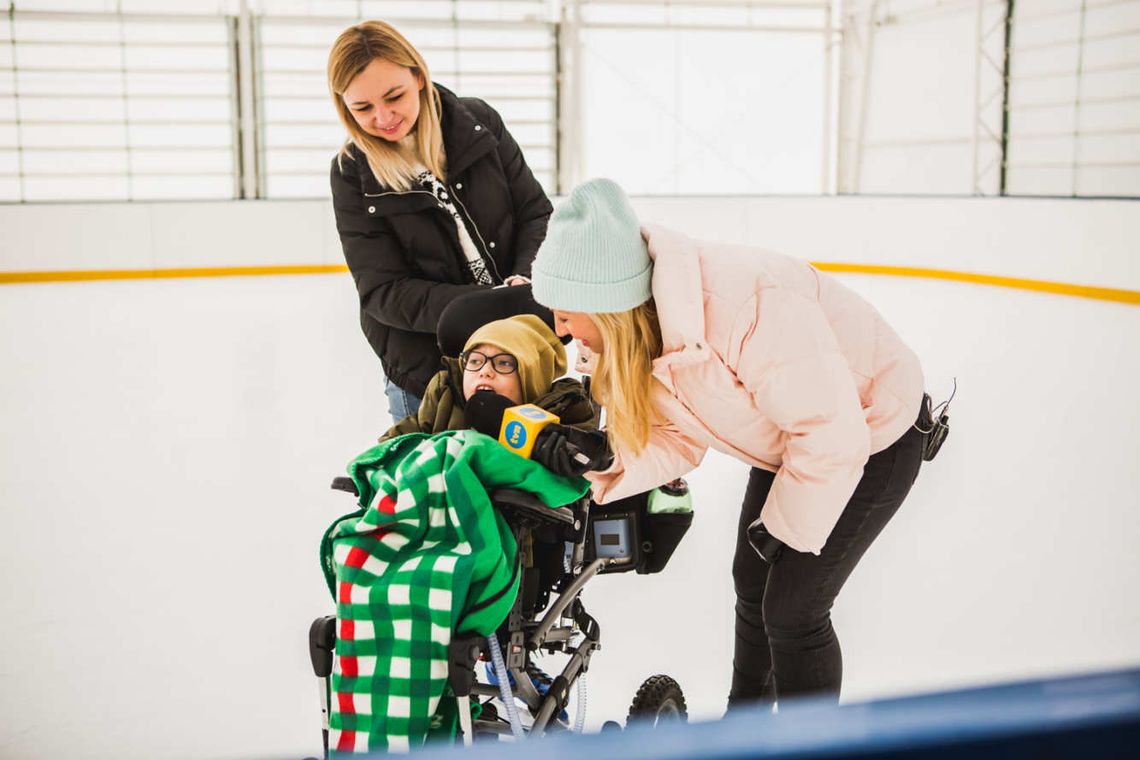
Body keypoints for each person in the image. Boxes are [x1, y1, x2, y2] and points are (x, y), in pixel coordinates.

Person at [526, 178, 928, 707]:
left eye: (566, 309)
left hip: (873, 432)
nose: (558, 325)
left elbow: (832, 432)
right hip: (794, 436)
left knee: (793, 609)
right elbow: (678, 435)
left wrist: (786, 528)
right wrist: (607, 457)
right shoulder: (635, 331)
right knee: (752, 580)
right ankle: (745, 733)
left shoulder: (747, 307)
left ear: (607, 303)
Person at [327, 20, 553, 423]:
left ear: (418, 75)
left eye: (394, 95)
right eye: (362, 108)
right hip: (427, 374)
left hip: (512, 354)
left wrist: (524, 277)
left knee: (520, 480)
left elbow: (534, 213)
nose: (383, 117)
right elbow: (383, 291)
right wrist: (488, 306)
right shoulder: (351, 172)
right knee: (434, 483)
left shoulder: (478, 122)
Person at [380, 314, 597, 441]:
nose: (485, 371)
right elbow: (394, 445)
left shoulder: (563, 413)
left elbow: (586, 452)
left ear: (531, 377)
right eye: (475, 361)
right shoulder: (444, 400)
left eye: (503, 363)